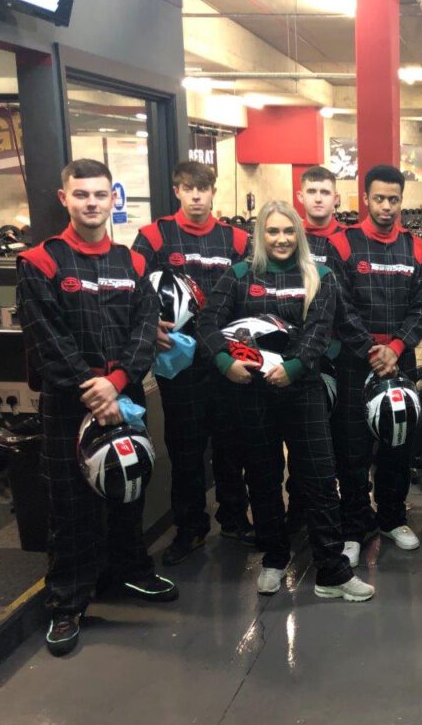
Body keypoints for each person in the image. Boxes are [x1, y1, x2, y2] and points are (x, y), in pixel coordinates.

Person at [17, 159, 177, 658]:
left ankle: (129, 571)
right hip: (70, 404)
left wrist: (117, 383)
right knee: (71, 507)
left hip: (124, 395)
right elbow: (47, 338)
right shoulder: (41, 261)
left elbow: (143, 329)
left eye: (100, 194)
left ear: (113, 199)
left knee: (129, 488)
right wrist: (94, 388)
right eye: (81, 194)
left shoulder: (132, 264)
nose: (91, 203)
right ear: (64, 198)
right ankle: (67, 602)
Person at [197, 200, 373, 601]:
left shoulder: (320, 276)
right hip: (253, 392)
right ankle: (275, 557)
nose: (281, 239)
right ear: (261, 235)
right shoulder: (240, 275)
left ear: (299, 234)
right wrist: (225, 362)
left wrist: (294, 367)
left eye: (288, 231)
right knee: (262, 476)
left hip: (303, 390)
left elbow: (319, 330)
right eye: (272, 231)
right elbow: (207, 321)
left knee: (320, 478)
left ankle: (332, 570)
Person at [131, 161, 254, 565]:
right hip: (179, 362)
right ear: (177, 190)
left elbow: (253, 290)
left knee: (232, 445)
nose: (196, 196)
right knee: (185, 449)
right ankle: (191, 528)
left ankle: (234, 518)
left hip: (226, 358)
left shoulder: (236, 239)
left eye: (203, 189)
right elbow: (131, 289)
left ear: (213, 192)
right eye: (188, 188)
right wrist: (148, 327)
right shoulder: (153, 237)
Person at [326, 165, 422, 563]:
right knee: (352, 449)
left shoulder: (416, 248)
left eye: (394, 200)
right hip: (357, 364)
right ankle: (354, 525)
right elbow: (340, 307)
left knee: (397, 444)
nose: (387, 207)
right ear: (365, 199)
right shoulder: (344, 245)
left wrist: (398, 346)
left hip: (400, 363)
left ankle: (391, 518)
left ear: (402, 201)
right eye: (380, 199)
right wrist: (372, 349)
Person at [286, 164, 345, 533]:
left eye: (325, 191)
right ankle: (298, 505)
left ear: (335, 198)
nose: (319, 198)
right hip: (295, 356)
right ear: (301, 197)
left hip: (339, 355)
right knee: (299, 439)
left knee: (337, 439)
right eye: (312, 191)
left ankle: (332, 506)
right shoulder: (287, 238)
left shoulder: (348, 241)